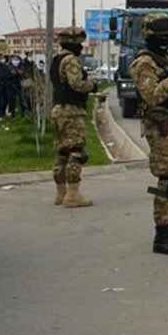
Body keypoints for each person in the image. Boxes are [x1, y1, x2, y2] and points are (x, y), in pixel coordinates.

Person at [130, 13, 168, 255]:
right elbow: (152, 95)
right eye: (161, 36)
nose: (166, 40)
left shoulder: (165, 58)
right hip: (160, 126)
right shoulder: (144, 63)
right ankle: (161, 235)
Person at [50, 28, 98, 207]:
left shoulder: (56, 60)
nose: (81, 47)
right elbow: (76, 84)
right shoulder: (71, 60)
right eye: (79, 43)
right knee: (76, 152)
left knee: (62, 153)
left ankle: (60, 193)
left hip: (58, 110)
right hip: (71, 111)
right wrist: (92, 86)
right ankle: (73, 194)